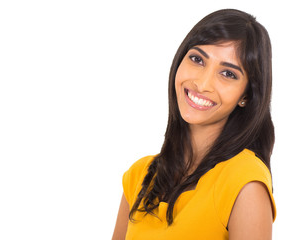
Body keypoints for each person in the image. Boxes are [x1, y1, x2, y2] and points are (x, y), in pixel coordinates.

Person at [112, 9, 276, 240]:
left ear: (246, 96)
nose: (203, 83)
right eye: (197, 59)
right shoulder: (139, 175)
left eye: (228, 73)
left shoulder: (244, 182)